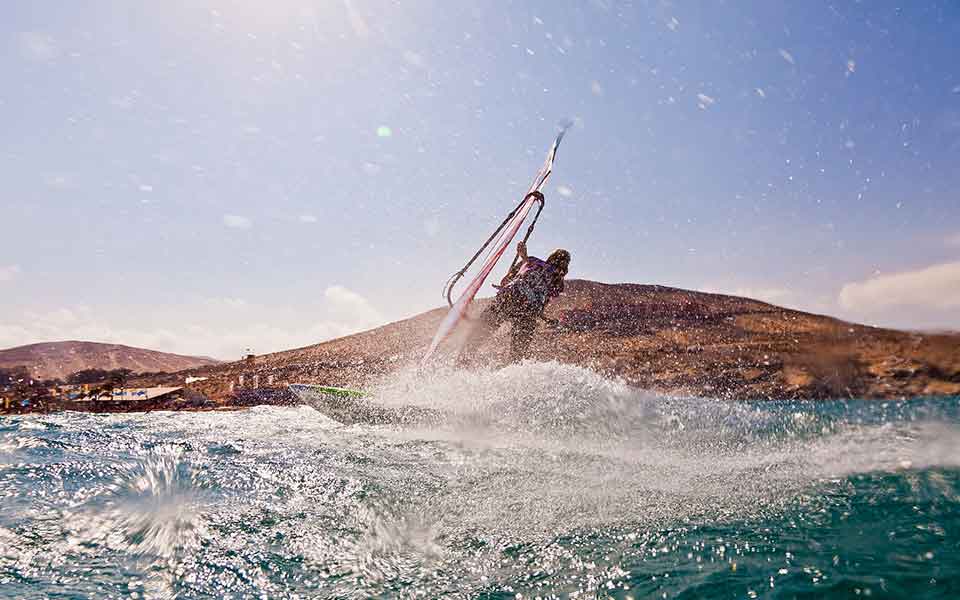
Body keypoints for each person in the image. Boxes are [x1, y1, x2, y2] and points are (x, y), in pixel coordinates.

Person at [459, 241, 571, 364]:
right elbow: (541, 303)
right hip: (529, 313)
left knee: (477, 336)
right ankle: (510, 373)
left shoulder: (532, 261)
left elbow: (505, 281)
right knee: (517, 356)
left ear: (550, 258)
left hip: (509, 300)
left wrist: (523, 258)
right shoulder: (559, 283)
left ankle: (461, 362)